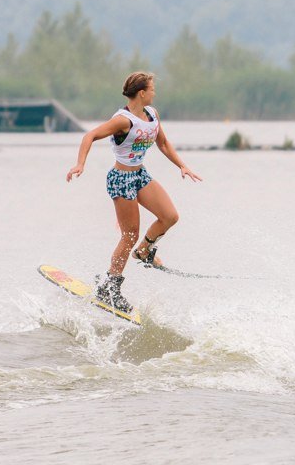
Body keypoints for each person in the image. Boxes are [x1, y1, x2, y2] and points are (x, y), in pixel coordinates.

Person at [66, 71, 202, 313]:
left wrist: (182, 165)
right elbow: (90, 135)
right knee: (129, 234)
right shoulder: (123, 120)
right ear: (142, 93)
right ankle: (109, 286)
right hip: (121, 179)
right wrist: (80, 164)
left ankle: (144, 250)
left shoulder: (152, 114)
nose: (154, 92)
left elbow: (163, 143)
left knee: (170, 216)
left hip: (140, 175)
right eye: (152, 89)